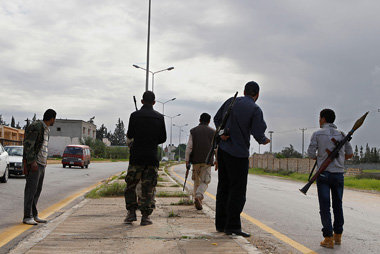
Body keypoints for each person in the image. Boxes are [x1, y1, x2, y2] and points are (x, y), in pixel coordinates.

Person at [214, 81, 270, 237]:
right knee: (237, 191)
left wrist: (222, 133)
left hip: (223, 152)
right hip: (239, 154)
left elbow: (217, 119)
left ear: (244, 91)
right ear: (257, 95)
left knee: (223, 188)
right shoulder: (255, 108)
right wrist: (264, 140)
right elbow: (258, 132)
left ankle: (220, 224)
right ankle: (232, 226)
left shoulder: (230, 101)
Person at [307, 109, 353, 248]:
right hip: (338, 174)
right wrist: (337, 159)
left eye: (320, 118)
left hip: (324, 174)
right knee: (338, 205)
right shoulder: (342, 135)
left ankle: (328, 238)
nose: (319, 120)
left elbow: (310, 154)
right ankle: (338, 236)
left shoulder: (317, 134)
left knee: (325, 207)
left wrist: (322, 158)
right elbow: (349, 154)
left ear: (323, 119)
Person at [124, 91, 166, 226]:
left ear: (142, 101)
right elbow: (163, 138)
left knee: (131, 185)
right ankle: (145, 217)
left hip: (136, 157)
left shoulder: (134, 116)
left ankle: (131, 213)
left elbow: (130, 134)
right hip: (152, 158)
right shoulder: (159, 117)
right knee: (148, 188)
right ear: (154, 102)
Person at [22, 109, 56, 225]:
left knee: (37, 190)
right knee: (31, 190)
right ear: (51, 118)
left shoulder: (47, 130)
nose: (54, 121)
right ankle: (27, 216)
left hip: (42, 164)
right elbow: (28, 145)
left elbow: (43, 146)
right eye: (54, 119)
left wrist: (44, 161)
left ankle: (34, 214)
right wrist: (32, 162)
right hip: (35, 164)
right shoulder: (37, 126)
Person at [185, 113, 215, 210]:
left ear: (199, 120)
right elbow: (216, 148)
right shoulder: (213, 132)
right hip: (207, 161)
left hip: (195, 161)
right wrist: (217, 161)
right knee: (205, 181)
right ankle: (198, 196)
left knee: (196, 181)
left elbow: (189, 147)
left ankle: (197, 200)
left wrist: (187, 160)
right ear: (209, 121)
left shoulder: (193, 131)